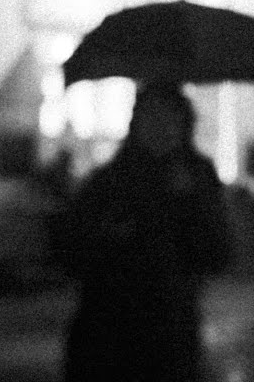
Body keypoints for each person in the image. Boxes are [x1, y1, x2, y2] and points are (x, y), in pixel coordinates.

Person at [51, 82, 232, 382]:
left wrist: (189, 203)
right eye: (151, 117)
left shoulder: (197, 176)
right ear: (136, 122)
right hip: (109, 327)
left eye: (170, 118)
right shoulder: (110, 181)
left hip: (171, 326)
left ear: (184, 124)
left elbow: (217, 253)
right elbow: (73, 250)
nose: (161, 127)